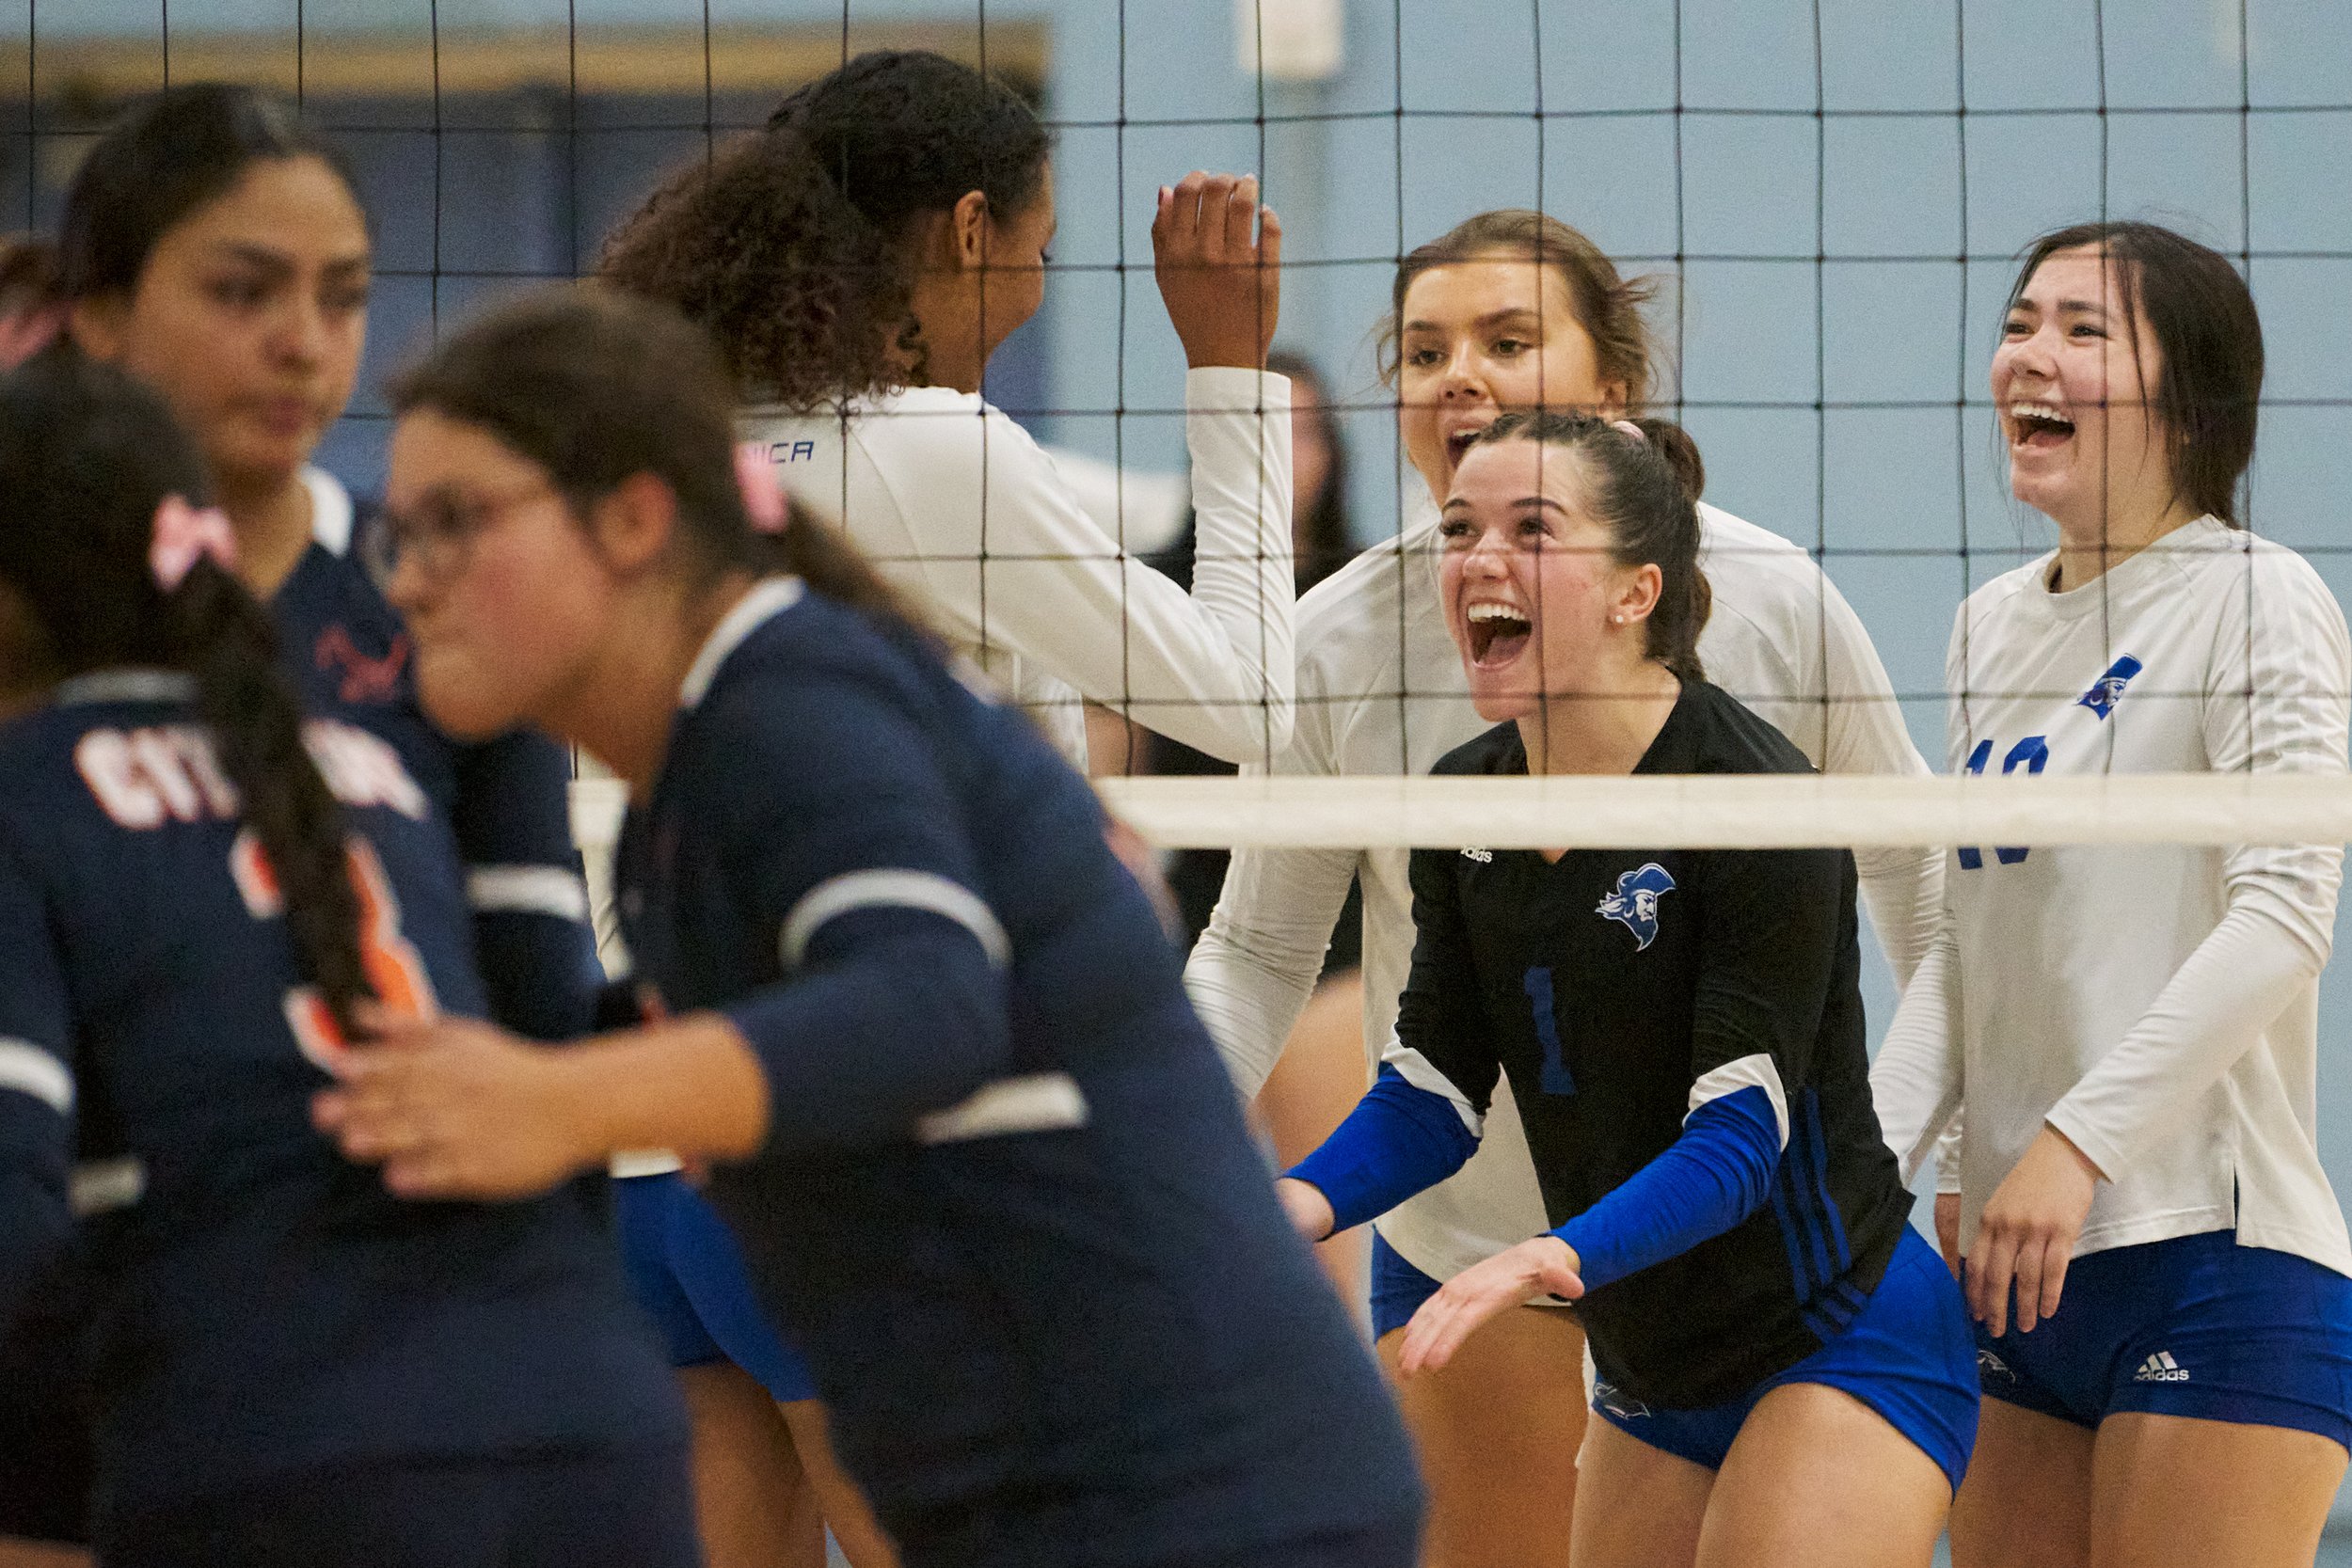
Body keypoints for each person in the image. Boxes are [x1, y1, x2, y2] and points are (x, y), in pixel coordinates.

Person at [310, 285, 1423, 1568]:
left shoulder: (791, 693)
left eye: (460, 521)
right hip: (1042, 1479)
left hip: (1195, 1489)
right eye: (401, 531)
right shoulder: (689, 780)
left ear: (632, 519)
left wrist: (555, 1100)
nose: (414, 577)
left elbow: (925, 1007)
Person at [1182, 208, 1943, 1568]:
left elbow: (1922, 889)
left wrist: (1907, 1141)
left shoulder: (1765, 610)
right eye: (1423, 350)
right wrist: (1173, 1168)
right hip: (1474, 1224)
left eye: (1507, 340)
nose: (1457, 374)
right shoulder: (1356, 657)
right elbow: (1262, 956)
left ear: (1614, 394)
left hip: (1755, 1236)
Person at [0, 83, 603, 1561]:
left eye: (341, 299)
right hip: (84, 1347)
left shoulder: (434, 611)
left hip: (367, 1366)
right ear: (96, 313)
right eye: (242, 290)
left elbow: (539, 1021)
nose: (304, 343)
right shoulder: (26, 614)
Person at [1869, 220, 2352, 1568]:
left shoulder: (2257, 596)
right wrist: (1891, 1170)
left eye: (2087, 330)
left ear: (2190, 401)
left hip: (2213, 1245)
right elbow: (1968, 951)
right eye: (2023, 321)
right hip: (2020, 1272)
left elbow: (2284, 919)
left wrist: (2071, 1145)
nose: (2031, 353)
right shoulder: (1989, 625)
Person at [602, 47, 1295, 773]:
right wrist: (1230, 367)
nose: (1037, 283)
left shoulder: (664, 447)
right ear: (969, 232)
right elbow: (1252, 703)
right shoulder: (934, 452)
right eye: (1041, 253)